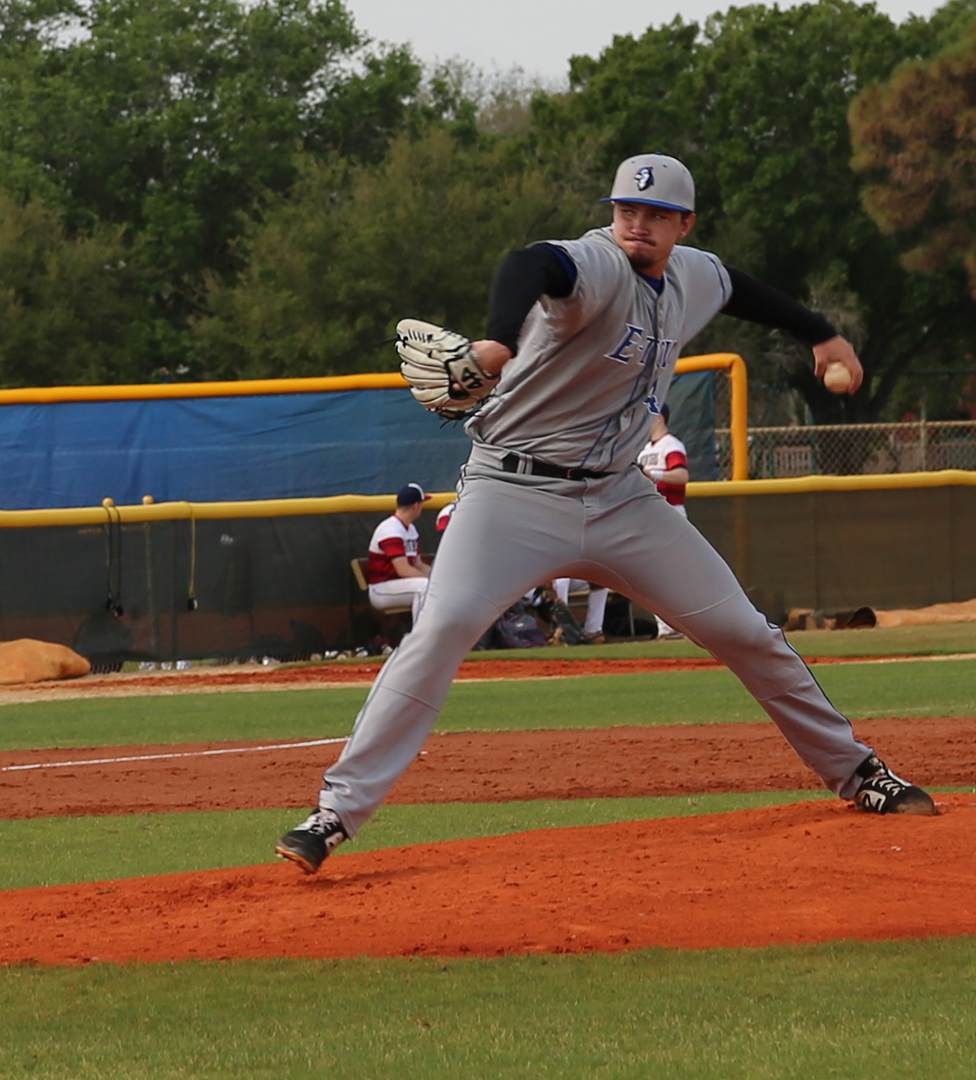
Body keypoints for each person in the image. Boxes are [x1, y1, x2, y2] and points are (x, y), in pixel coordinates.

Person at [276, 153, 936, 873]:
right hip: (513, 492)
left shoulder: (692, 275)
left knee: (743, 630)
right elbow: (529, 264)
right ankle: (334, 814)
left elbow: (740, 288)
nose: (637, 224)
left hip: (622, 497)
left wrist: (820, 332)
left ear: (684, 224)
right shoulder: (595, 264)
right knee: (442, 628)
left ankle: (859, 772)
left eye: (655, 215)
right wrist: (498, 339)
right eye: (627, 209)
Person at [636, 403, 691, 639]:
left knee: (676, 571)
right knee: (651, 573)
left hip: (671, 511)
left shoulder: (672, 444)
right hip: (648, 514)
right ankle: (665, 628)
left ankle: (680, 625)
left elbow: (682, 476)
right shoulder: (643, 450)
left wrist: (654, 474)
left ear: (658, 417)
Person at [364, 483, 431, 621]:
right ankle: (419, 638)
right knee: (425, 587)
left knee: (434, 587)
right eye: (422, 504)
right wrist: (433, 581)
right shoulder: (390, 529)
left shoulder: (410, 528)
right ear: (415, 506)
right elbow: (404, 570)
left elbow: (417, 564)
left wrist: (440, 577)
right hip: (382, 589)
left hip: (400, 585)